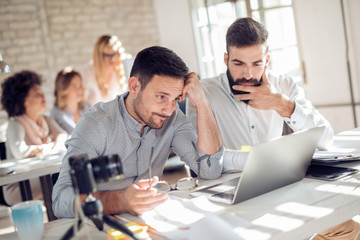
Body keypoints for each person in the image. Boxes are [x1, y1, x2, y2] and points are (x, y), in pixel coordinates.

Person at [186, 17, 358, 240]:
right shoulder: (204, 93)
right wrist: (254, 160)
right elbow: (200, 159)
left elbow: (326, 139)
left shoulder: (283, 85)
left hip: (281, 188)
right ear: (226, 59)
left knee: (347, 227)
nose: (248, 74)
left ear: (266, 60)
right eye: (239, 63)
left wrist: (282, 104)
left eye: (256, 63)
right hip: (231, 193)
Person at [52, 46, 223, 218]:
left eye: (176, 99)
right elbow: (60, 201)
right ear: (134, 86)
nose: (169, 110)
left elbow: (210, 170)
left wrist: (202, 102)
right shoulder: (96, 123)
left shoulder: (172, 117)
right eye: (161, 97)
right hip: (103, 227)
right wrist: (121, 201)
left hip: (151, 223)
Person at [1, 70, 68, 205]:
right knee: (63, 178)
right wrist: (51, 144)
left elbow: (65, 140)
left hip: (41, 177)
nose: (44, 97)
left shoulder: (46, 120)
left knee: (62, 177)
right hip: (18, 186)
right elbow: (22, 153)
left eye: (42, 93)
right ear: (24, 100)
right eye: (38, 94)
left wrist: (42, 148)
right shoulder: (15, 125)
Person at [82, 35, 128, 106]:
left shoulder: (120, 70)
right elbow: (82, 102)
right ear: (98, 56)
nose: (112, 59)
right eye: (107, 56)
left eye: (114, 55)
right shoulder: (88, 72)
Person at [51, 67, 89, 135]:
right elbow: (76, 135)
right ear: (63, 89)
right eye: (74, 86)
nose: (79, 90)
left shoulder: (87, 107)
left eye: (80, 85)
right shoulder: (57, 113)